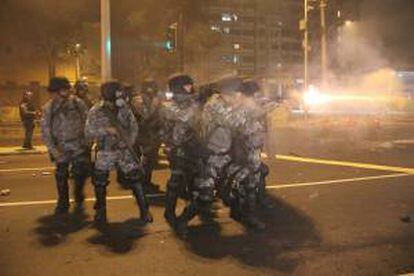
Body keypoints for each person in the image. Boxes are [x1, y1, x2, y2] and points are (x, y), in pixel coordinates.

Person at [85, 81, 153, 225]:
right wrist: (106, 131)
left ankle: (144, 211)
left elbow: (134, 126)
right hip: (105, 152)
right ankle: (101, 213)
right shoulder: (96, 111)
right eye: (116, 94)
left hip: (124, 151)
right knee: (100, 183)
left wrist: (130, 141)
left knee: (136, 180)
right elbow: (88, 132)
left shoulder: (124, 108)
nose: (119, 97)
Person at [41, 77, 90, 214]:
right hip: (60, 147)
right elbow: (45, 131)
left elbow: (87, 122)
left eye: (64, 90)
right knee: (61, 174)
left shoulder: (78, 103)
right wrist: (53, 150)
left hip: (78, 145)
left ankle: (78, 195)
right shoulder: (49, 108)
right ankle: (63, 201)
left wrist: (87, 143)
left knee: (80, 174)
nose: (61, 94)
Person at [159, 74, 202, 231]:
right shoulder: (168, 105)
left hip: (193, 149)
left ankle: (188, 209)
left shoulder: (190, 103)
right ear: (178, 88)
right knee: (175, 183)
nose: (191, 88)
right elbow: (185, 117)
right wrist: (196, 101)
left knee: (193, 182)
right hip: (178, 150)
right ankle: (169, 213)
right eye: (187, 86)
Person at [134, 79, 163, 192]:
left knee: (151, 160)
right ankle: (142, 184)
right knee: (145, 160)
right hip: (143, 134)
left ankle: (147, 182)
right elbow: (146, 115)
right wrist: (155, 105)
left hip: (153, 134)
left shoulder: (153, 98)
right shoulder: (138, 100)